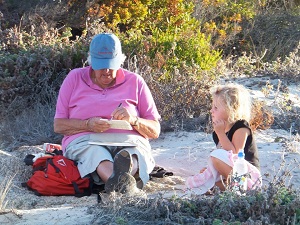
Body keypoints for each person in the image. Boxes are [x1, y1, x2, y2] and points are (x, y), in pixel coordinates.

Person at [54, 33, 161, 195]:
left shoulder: (135, 81)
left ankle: (117, 182)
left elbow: (155, 130)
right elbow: (59, 125)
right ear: (90, 62)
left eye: (111, 65)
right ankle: (122, 184)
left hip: (129, 140)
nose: (106, 71)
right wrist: (87, 124)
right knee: (95, 154)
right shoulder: (74, 78)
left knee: (133, 154)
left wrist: (133, 120)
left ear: (121, 61)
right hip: (87, 140)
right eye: (101, 66)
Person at [185, 83, 261, 194]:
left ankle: (239, 188)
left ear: (232, 109)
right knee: (197, 185)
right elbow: (224, 158)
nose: (211, 111)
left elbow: (234, 154)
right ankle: (228, 188)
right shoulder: (218, 132)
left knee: (216, 155)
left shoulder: (241, 127)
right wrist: (210, 169)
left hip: (247, 176)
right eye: (212, 107)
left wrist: (220, 133)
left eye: (216, 107)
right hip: (229, 175)